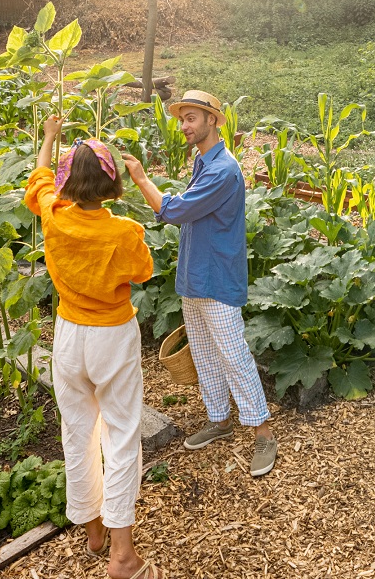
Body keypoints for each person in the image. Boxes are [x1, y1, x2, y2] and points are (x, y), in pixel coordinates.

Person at [24, 115, 166, 579]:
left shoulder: (53, 213)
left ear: (68, 184)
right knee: (122, 434)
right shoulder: (125, 232)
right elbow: (142, 273)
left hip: (67, 334)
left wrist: (48, 137)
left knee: (77, 429)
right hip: (111, 335)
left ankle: (92, 531)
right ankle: (123, 557)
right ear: (112, 184)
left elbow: (39, 177)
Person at [122, 90, 277, 478]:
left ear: (212, 120)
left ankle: (263, 433)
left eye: (192, 118)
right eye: (182, 119)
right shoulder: (203, 161)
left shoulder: (224, 169)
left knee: (234, 356)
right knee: (205, 354)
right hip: (195, 273)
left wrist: (140, 177)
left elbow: (173, 210)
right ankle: (220, 419)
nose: (185, 126)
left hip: (218, 277)